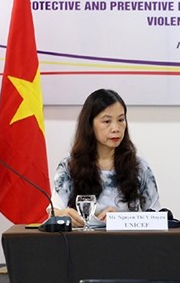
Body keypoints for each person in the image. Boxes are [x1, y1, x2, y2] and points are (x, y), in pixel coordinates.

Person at [52, 88, 161, 227]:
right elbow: (55, 212)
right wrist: (63, 214)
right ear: (90, 125)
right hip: (80, 245)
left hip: (128, 245)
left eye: (121, 120)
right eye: (107, 121)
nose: (116, 128)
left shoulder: (139, 166)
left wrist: (119, 221)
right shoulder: (69, 166)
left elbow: (156, 219)